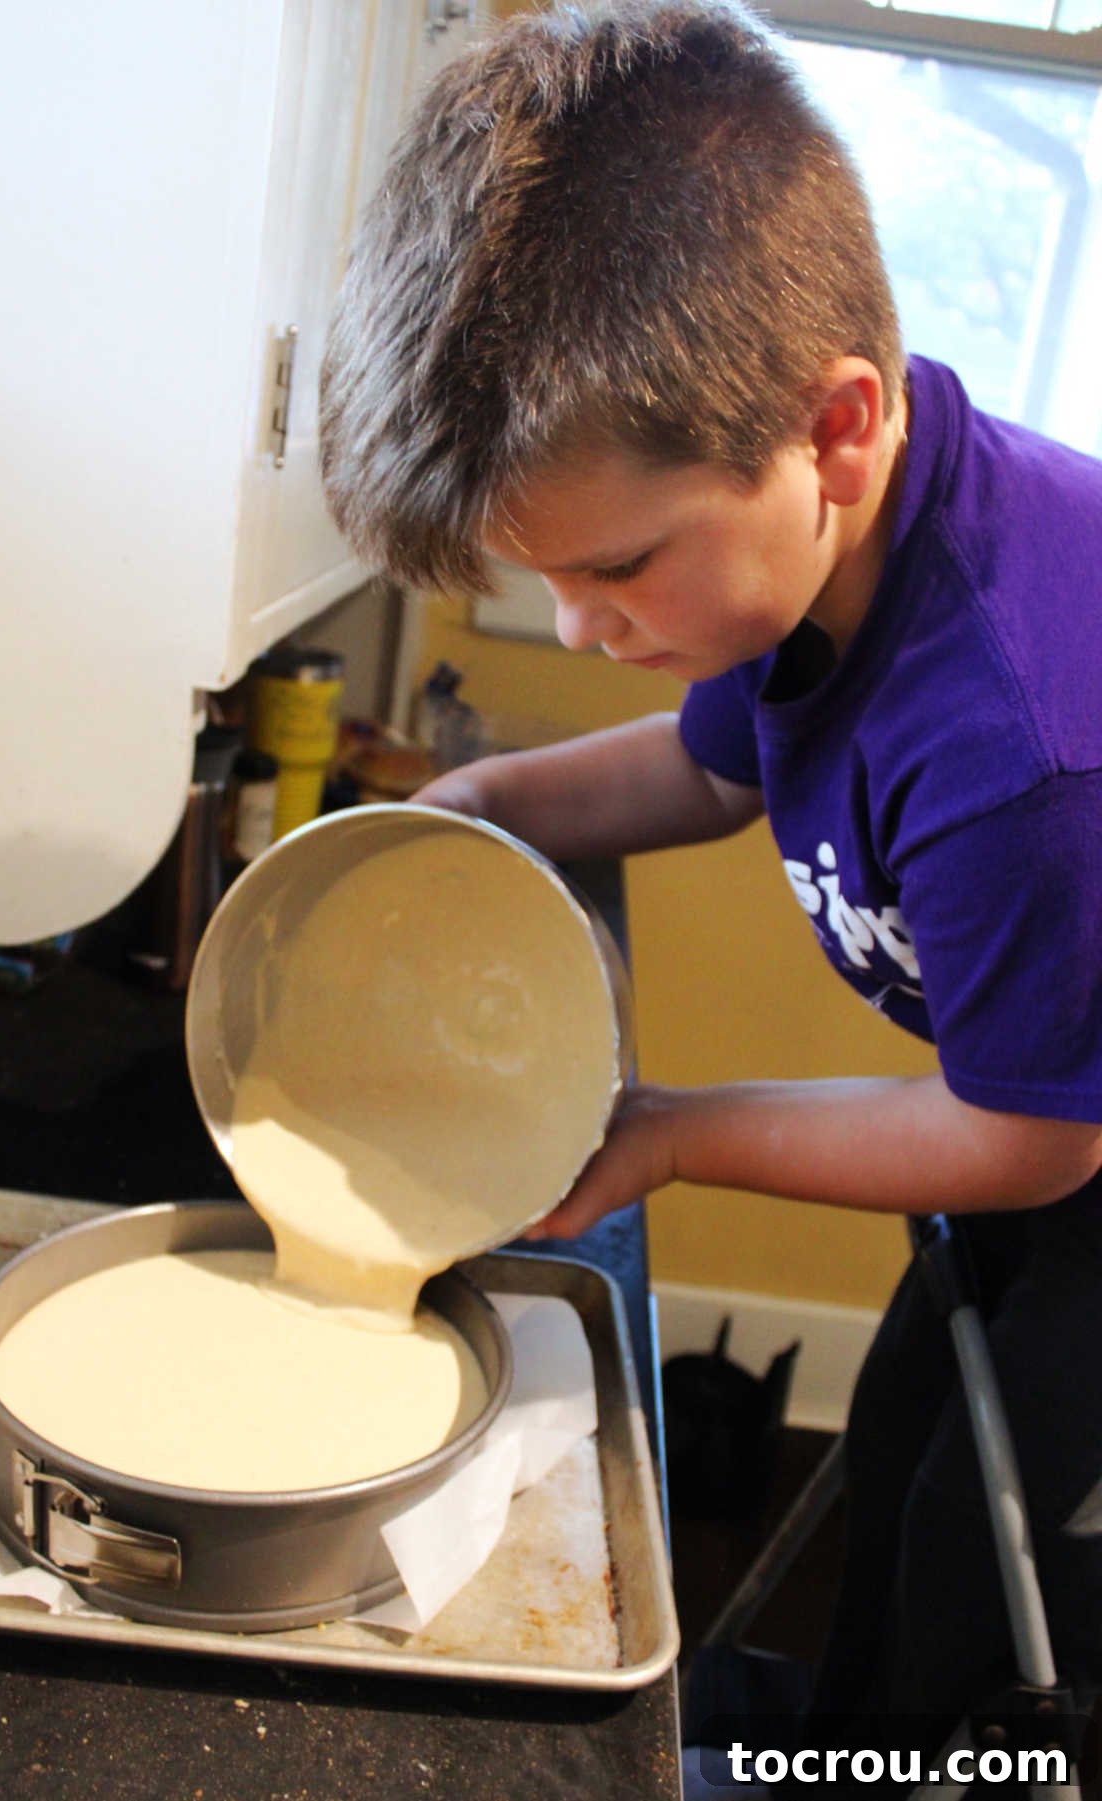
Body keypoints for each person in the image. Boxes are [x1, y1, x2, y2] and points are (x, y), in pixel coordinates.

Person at [320, 0, 1102, 1786]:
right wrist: (482, 800)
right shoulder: (830, 543)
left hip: (1072, 1145)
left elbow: (1028, 1139)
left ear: (833, 428)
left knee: (983, 1590)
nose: (587, 628)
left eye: (612, 569)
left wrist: (666, 1127)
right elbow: (709, 765)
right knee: (909, 1447)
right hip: (1046, 1110)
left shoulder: (1031, 742)